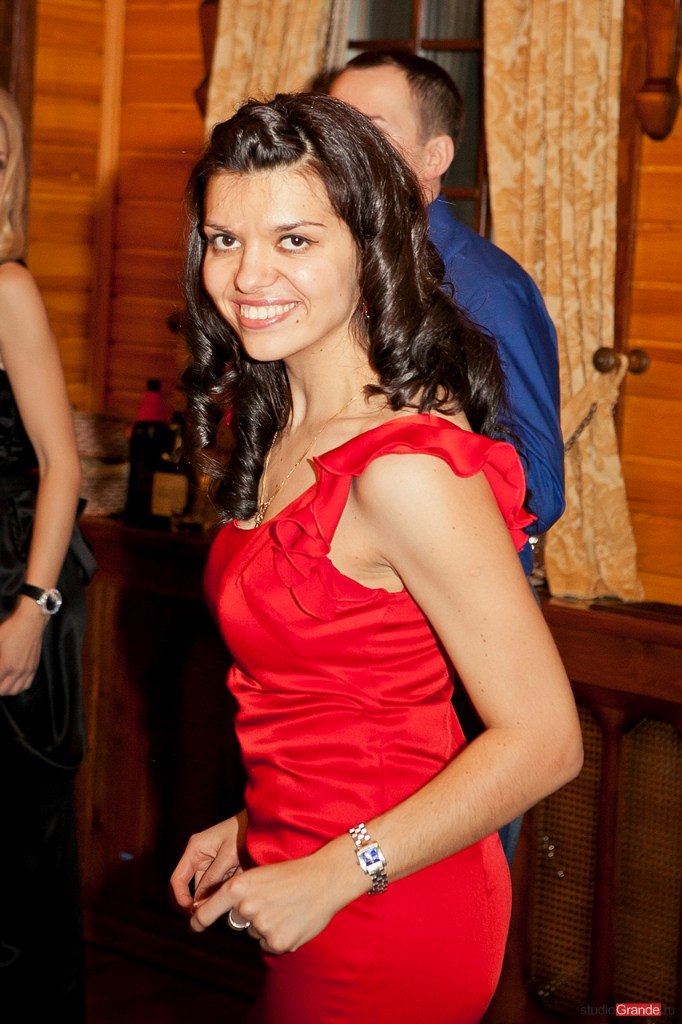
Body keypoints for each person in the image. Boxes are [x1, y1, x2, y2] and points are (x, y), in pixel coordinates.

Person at [169, 92, 582, 1024]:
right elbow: (346, 697)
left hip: (391, 902)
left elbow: (547, 740)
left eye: (295, 239)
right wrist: (258, 823)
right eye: (225, 239)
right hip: (310, 863)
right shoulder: (283, 427)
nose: (248, 274)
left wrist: (332, 869)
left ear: (372, 246)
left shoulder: (405, 469)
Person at [327, 52, 566, 864]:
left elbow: (540, 481)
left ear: (435, 158)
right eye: (335, 126)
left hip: (454, 630)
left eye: (372, 129)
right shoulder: (333, 272)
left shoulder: (484, 291)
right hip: (352, 627)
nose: (342, 148)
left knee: (440, 859)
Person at [0, 87, 96, 1021]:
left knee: (11, 852)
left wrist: (32, 609)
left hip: (11, 580)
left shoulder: (7, 288)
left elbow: (62, 463)